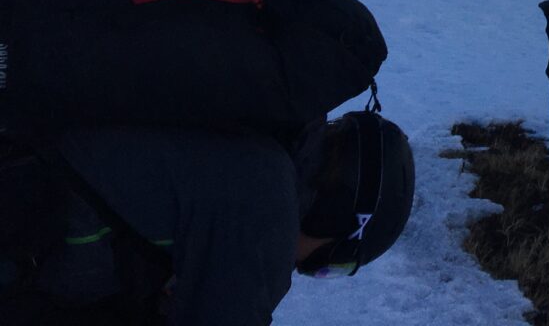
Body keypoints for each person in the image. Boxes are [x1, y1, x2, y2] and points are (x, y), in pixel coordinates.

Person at [2, 109, 414, 325]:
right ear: (335, 216)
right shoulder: (267, 212)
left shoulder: (255, 133)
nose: (311, 270)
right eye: (332, 264)